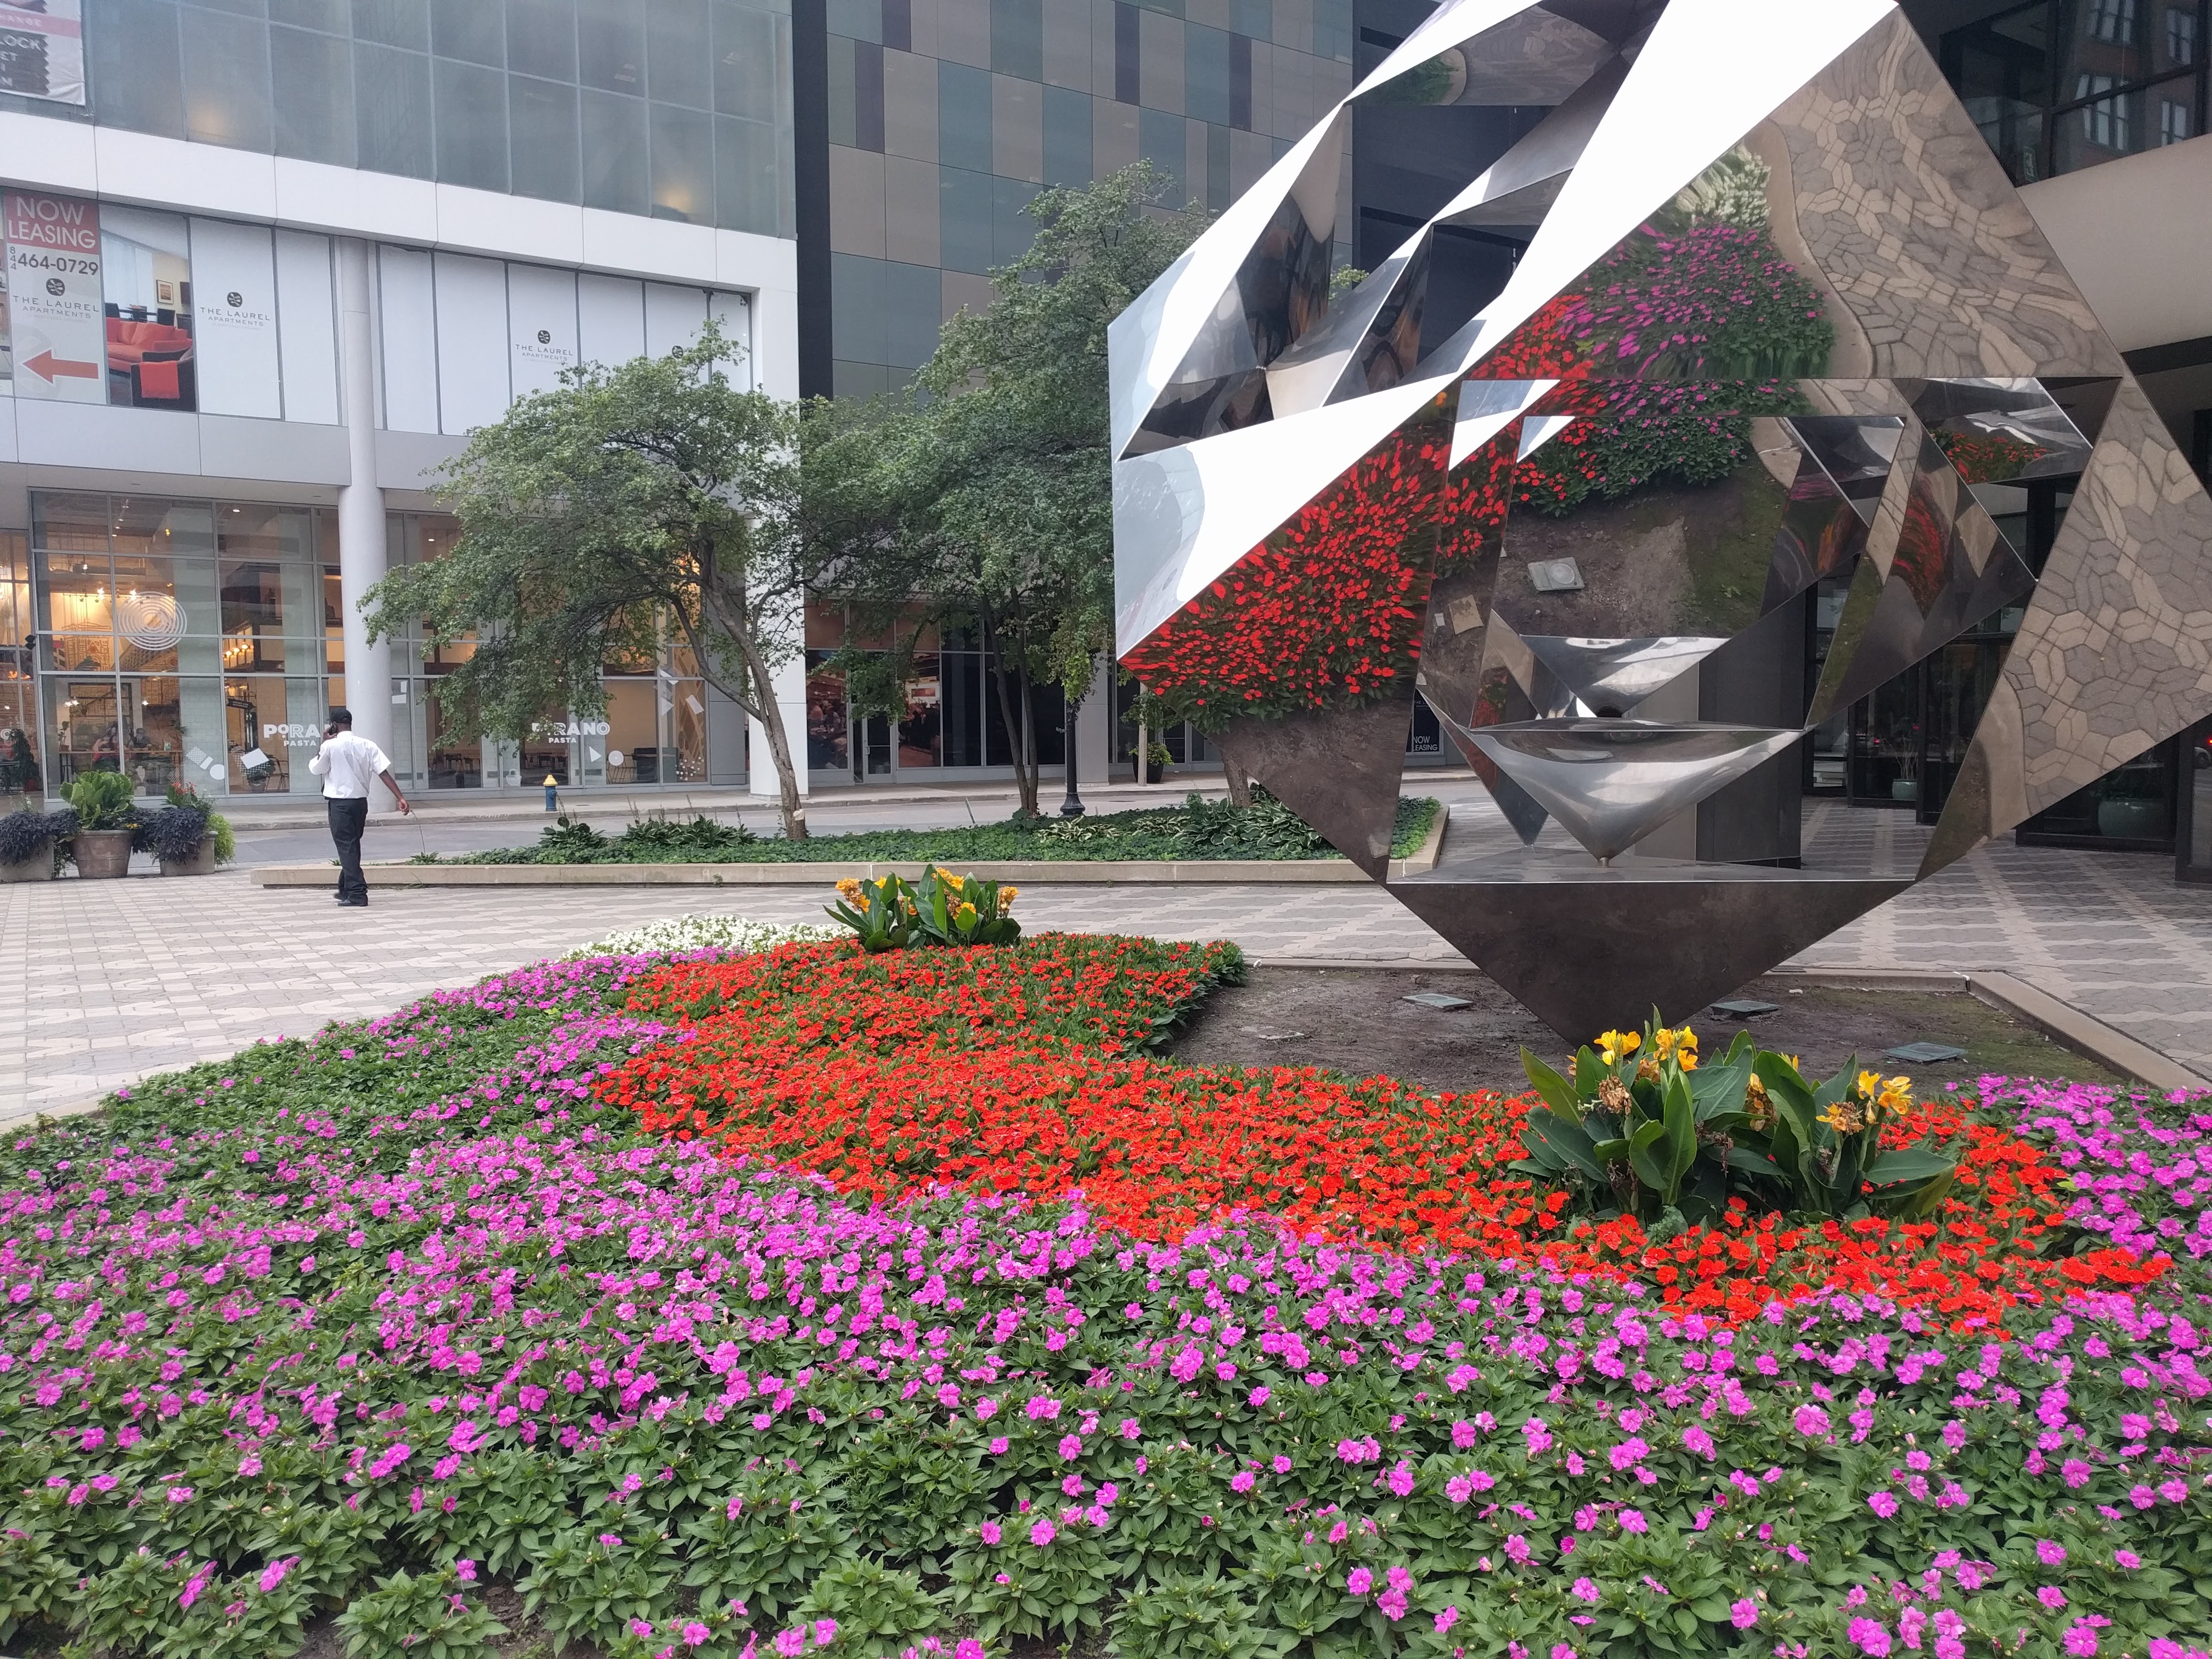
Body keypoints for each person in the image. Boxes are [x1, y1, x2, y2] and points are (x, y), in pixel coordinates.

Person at [308, 707, 410, 906]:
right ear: (351, 723)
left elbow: (316, 768)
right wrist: (400, 797)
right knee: (352, 845)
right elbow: (383, 773)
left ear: (334, 726)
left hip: (339, 805)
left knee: (347, 847)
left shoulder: (330, 746)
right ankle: (345, 888)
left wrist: (323, 743)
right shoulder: (368, 745)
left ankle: (357, 894)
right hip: (360, 804)